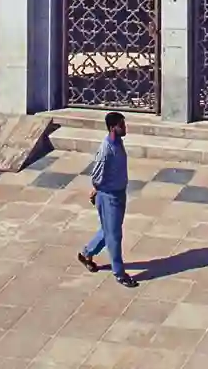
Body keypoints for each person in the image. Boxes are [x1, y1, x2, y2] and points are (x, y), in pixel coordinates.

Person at [78, 111, 138, 287]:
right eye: (121, 125)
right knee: (114, 236)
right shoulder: (106, 150)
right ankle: (119, 273)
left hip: (119, 193)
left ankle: (87, 253)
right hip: (109, 197)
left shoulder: (118, 142)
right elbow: (96, 175)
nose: (125, 128)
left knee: (109, 230)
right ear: (112, 128)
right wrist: (97, 190)